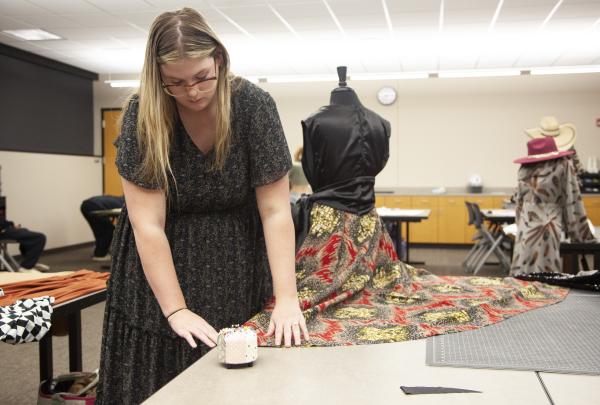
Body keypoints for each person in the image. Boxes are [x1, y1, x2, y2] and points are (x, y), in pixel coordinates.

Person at [246, 67, 567, 347]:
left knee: (318, 295)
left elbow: (314, 170)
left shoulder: (316, 122)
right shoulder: (378, 124)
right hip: (370, 224)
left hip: (330, 226)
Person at [97, 8, 308, 404]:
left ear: (220, 61)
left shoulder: (252, 107)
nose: (192, 92)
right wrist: (176, 311)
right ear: (157, 77)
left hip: (236, 263)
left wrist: (287, 299)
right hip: (159, 269)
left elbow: (276, 211)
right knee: (158, 376)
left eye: (201, 78)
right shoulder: (143, 113)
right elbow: (148, 226)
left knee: (239, 378)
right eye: (175, 83)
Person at [511, 136, 595, 275]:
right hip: (547, 224)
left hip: (525, 226)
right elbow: (573, 201)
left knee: (524, 272)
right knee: (546, 274)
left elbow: (519, 204)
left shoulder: (524, 168)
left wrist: (519, 224)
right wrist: (582, 235)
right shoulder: (563, 164)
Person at [80, 195, 125, 261]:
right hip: (94, 206)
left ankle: (100, 251)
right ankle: (100, 254)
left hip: (86, 205)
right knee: (108, 230)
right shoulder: (124, 203)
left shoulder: (117, 199)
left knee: (100, 230)